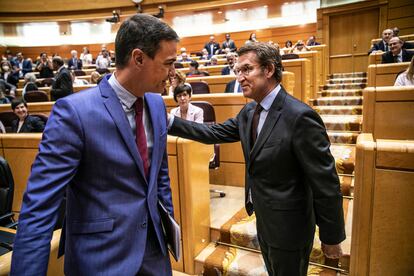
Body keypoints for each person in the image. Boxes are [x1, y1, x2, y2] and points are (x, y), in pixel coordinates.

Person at [11, 14, 178, 275]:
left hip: (154, 254)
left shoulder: (156, 104)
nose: (173, 73)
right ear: (138, 59)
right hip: (100, 258)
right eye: (169, 63)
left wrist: (168, 224)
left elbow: (160, 174)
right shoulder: (73, 113)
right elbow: (39, 208)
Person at [169, 42, 345, 276]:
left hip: (290, 226)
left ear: (269, 69)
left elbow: (325, 181)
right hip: (263, 218)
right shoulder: (250, 112)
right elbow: (212, 132)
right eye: (237, 71)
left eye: (246, 69)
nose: (239, 77)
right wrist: (169, 122)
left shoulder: (300, 116)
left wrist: (331, 236)